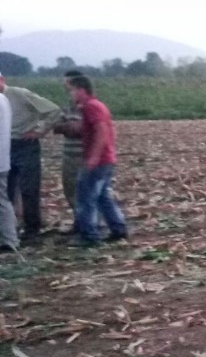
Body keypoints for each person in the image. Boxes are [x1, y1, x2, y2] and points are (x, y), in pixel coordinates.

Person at [65, 74, 128, 247]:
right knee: (103, 197)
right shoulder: (97, 105)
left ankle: (89, 236)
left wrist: (93, 157)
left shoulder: (91, 107)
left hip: (98, 160)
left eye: (70, 90)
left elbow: (101, 131)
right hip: (106, 159)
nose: (69, 94)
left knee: (86, 198)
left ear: (80, 90)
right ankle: (118, 228)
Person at [0, 71, 62, 243]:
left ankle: (32, 229)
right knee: (7, 191)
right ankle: (9, 230)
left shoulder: (19, 94)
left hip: (25, 145)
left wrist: (40, 130)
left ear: (2, 80)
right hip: (5, 146)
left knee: (29, 189)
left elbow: (53, 110)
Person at [51, 69, 85, 231]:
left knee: (86, 191)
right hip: (69, 155)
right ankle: (80, 221)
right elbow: (57, 126)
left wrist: (67, 127)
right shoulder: (69, 107)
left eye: (67, 84)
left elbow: (79, 130)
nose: (64, 86)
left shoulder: (88, 107)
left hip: (83, 156)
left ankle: (88, 224)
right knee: (69, 190)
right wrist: (67, 127)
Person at [0, 80, 19, 252]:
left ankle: (10, 239)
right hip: (3, 159)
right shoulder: (4, 99)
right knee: (3, 200)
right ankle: (11, 236)